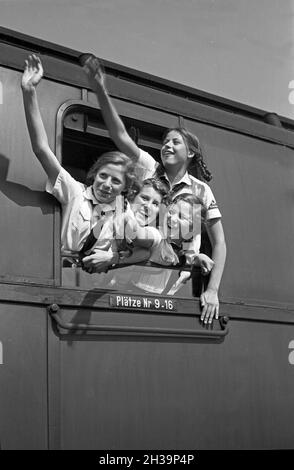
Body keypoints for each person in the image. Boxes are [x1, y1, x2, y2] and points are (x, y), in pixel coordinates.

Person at [82, 55, 226, 324]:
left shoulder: (202, 191)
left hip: (158, 289)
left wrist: (213, 290)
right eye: (165, 142)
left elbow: (219, 243)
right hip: (119, 278)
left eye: (175, 142)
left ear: (192, 153)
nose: (167, 146)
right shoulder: (149, 168)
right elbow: (120, 136)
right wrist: (101, 90)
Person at [21, 54, 141, 273]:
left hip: (92, 282)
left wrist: (112, 257)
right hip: (63, 274)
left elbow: (138, 252)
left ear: (125, 188)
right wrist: (29, 92)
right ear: (94, 174)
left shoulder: (125, 213)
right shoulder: (75, 192)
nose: (106, 184)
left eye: (116, 181)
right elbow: (41, 149)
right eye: (103, 176)